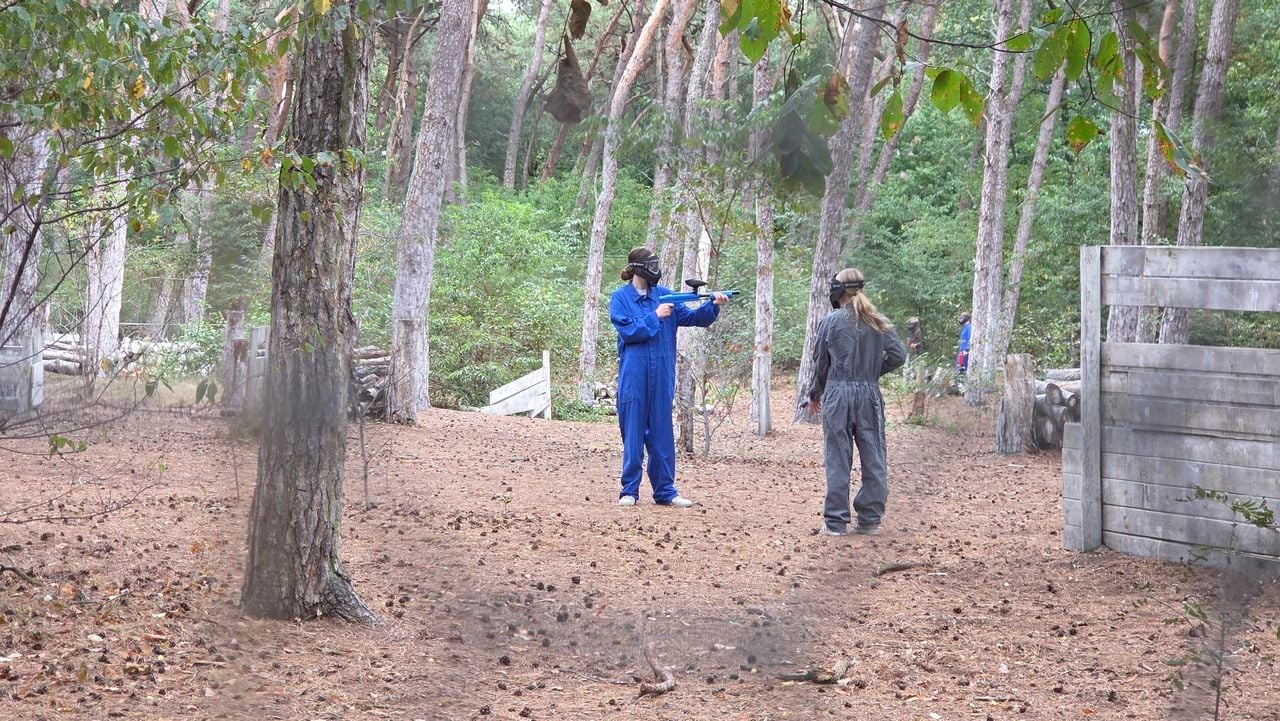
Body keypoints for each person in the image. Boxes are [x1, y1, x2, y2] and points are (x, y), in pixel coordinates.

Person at [609, 247, 729, 508]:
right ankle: (629, 490)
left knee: (662, 433)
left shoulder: (666, 296)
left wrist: (713, 306)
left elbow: (694, 317)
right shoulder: (620, 298)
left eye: (656, 265)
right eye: (650, 266)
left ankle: (665, 491)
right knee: (632, 432)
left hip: (662, 374)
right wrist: (655, 316)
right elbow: (628, 331)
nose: (655, 270)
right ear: (638, 268)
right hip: (634, 375)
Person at [801, 268, 906, 536]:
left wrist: (814, 395)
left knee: (838, 457)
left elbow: (820, 365)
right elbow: (898, 356)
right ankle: (870, 520)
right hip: (868, 395)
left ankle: (835, 523)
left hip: (838, 395)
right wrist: (870, 373)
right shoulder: (876, 320)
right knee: (874, 456)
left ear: (839, 290)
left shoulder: (830, 321)